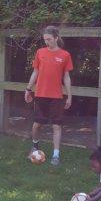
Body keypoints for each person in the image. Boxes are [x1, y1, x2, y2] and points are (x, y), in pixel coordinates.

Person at [24, 25, 73, 166]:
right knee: (37, 124)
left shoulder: (65, 55)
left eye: (49, 39)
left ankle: (56, 155)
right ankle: (35, 147)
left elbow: (66, 77)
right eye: (45, 39)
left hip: (56, 97)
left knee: (56, 126)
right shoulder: (40, 52)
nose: (47, 42)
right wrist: (28, 89)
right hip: (40, 94)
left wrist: (69, 96)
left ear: (56, 38)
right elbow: (35, 72)